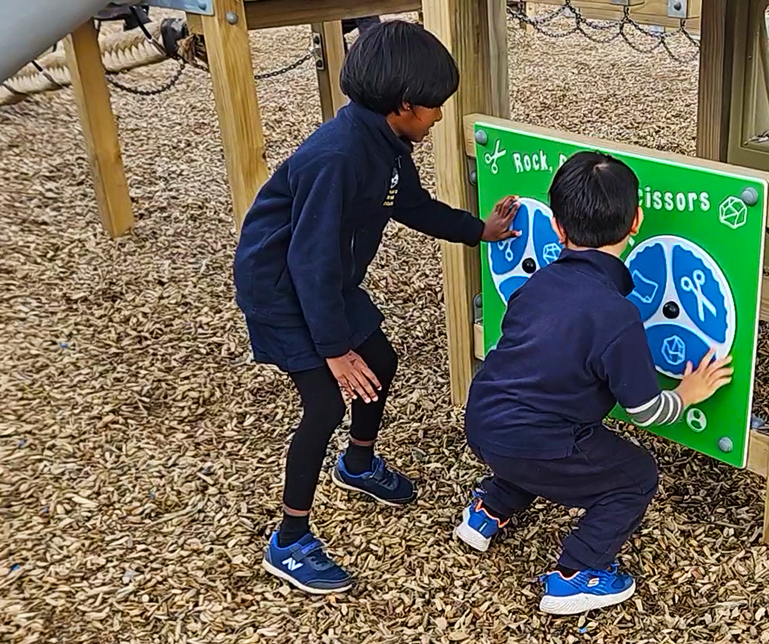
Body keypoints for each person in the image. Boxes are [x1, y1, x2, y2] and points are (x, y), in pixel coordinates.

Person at [232, 20, 519, 595]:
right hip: (284, 289)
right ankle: (289, 540)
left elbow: (409, 204)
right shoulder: (338, 157)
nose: (439, 117)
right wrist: (334, 350)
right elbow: (307, 260)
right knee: (323, 406)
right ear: (405, 105)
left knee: (381, 363)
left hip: (324, 281)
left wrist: (479, 231)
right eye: (435, 108)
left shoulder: (386, 144)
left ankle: (357, 465)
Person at [452, 151, 734, 615]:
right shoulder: (617, 316)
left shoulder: (536, 285)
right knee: (635, 475)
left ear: (558, 229)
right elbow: (645, 410)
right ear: (636, 221)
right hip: (535, 440)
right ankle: (577, 572)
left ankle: (488, 509)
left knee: (538, 445)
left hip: (483, 422)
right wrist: (687, 393)